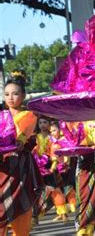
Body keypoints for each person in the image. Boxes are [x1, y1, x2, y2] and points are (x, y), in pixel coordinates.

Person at [0, 71, 43, 235]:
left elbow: (23, 135)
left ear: (23, 95)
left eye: (15, 93)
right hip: (2, 165)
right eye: (7, 94)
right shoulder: (1, 116)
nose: (10, 97)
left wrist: (20, 141)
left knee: (21, 209)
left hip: (20, 167)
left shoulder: (29, 114)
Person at [33, 116, 69, 223]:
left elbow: (54, 150)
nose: (42, 125)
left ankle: (63, 213)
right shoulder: (35, 137)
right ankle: (37, 213)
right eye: (40, 123)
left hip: (49, 165)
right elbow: (33, 149)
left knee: (54, 189)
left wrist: (53, 165)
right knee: (38, 190)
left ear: (49, 125)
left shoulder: (51, 138)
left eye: (45, 122)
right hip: (37, 165)